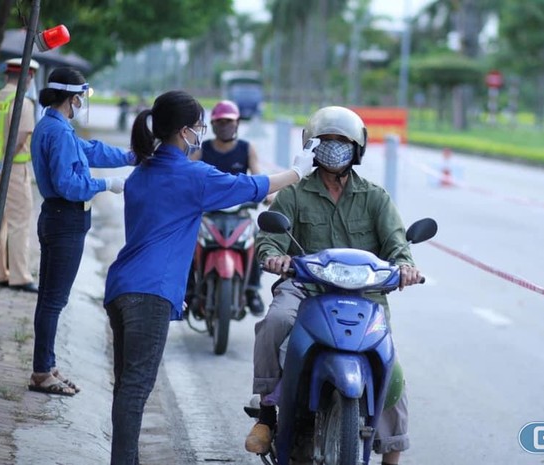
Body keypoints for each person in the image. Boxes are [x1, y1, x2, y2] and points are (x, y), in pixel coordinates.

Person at [103, 89, 317, 464]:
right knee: (136, 390)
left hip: (122, 286)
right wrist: (298, 171)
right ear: (185, 132)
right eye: (199, 126)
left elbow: (155, 234)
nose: (203, 132)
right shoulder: (192, 176)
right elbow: (251, 187)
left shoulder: (142, 172)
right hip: (149, 294)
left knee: (126, 388)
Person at [245, 106, 422, 465]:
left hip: (364, 296)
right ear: (311, 145)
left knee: (389, 366)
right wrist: (274, 257)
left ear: (357, 148)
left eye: (342, 141)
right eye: (326, 141)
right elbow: (269, 238)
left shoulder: (375, 197)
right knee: (276, 322)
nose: (333, 147)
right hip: (305, 290)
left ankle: (392, 453)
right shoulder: (294, 193)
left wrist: (405, 267)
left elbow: (397, 244)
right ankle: (266, 413)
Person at [28, 67, 133, 396]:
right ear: (72, 98)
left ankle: (47, 363)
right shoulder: (57, 132)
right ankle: (42, 372)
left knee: (49, 299)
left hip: (59, 218)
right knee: (53, 301)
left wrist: (134, 156)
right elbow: (67, 183)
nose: (82, 104)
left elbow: (94, 151)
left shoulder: (55, 125)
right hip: (65, 218)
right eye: (81, 98)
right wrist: (107, 184)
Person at [188, 99, 265, 316]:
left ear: (238, 123)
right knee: (187, 242)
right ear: (212, 125)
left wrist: (267, 194)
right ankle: (188, 291)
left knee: (257, 240)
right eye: (220, 122)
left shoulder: (247, 148)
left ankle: (252, 291)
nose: (225, 126)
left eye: (229, 121)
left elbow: (258, 175)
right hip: (208, 214)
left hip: (240, 214)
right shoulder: (202, 149)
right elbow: (188, 175)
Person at [0, 57, 40, 292]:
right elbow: (22, 136)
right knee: (19, 222)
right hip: (14, 170)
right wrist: (4, 162)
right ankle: (19, 277)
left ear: (6, 76)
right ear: (28, 77)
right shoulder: (23, 102)